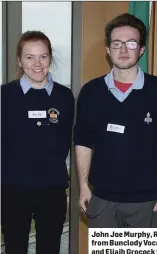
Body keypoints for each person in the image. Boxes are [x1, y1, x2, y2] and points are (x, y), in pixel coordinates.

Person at [74, 13, 157, 228]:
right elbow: (83, 141)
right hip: (102, 200)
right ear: (107, 49)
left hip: (149, 202)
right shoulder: (91, 92)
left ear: (141, 49)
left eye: (131, 43)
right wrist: (83, 186)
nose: (123, 49)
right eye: (117, 43)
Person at [1, 31, 74, 253]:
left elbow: (63, 141)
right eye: (29, 57)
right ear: (19, 60)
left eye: (43, 56)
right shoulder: (4, 96)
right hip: (13, 189)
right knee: (15, 248)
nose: (37, 63)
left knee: (50, 248)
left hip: (52, 189)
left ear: (50, 58)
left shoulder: (65, 96)